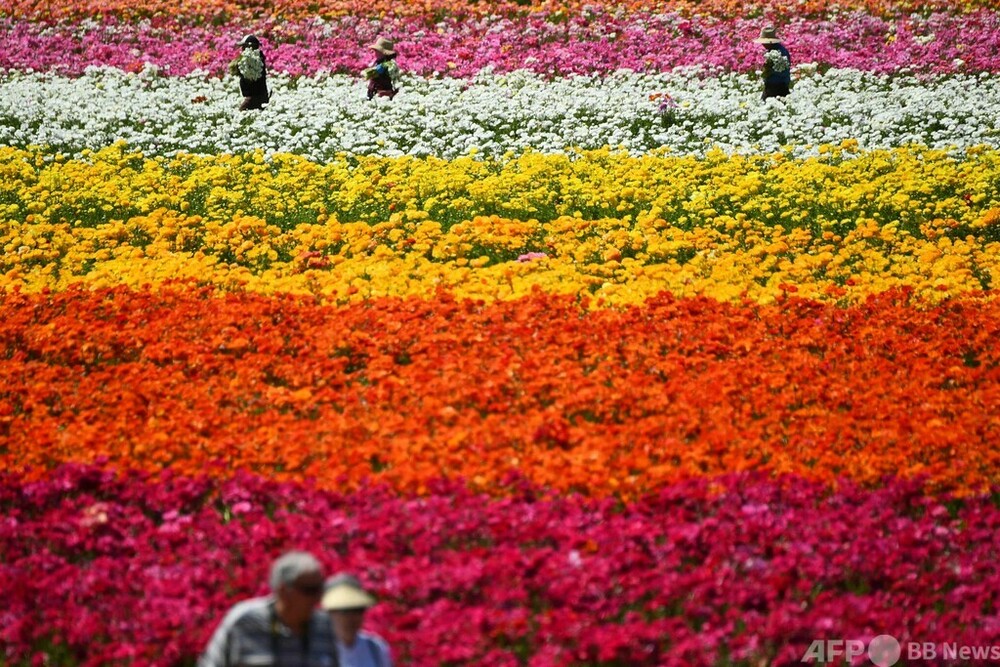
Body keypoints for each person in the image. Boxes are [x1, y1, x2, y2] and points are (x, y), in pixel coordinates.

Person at [199, 551, 338, 667]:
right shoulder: (246, 621)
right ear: (284, 591)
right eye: (309, 591)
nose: (318, 598)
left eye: (320, 589)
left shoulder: (325, 627)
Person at [321, 574, 393, 667]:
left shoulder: (375, 648)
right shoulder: (317, 650)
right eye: (345, 611)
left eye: (357, 610)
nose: (351, 618)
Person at [231, 34, 270, 111]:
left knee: (242, 112)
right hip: (257, 96)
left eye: (243, 47)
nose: (242, 49)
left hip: (254, 97)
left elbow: (250, 78)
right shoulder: (256, 59)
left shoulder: (254, 61)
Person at [754, 26, 792, 100]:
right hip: (773, 85)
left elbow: (782, 70)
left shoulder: (780, 52)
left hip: (777, 86)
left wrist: (769, 70)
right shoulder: (772, 50)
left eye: (764, 42)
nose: (762, 44)